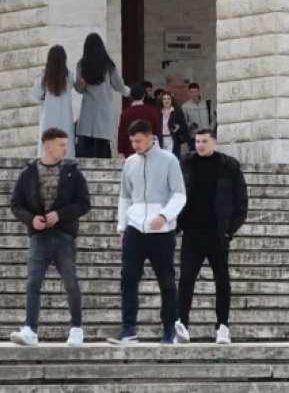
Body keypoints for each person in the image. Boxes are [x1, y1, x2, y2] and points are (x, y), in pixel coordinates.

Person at [9, 128, 91, 346]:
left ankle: (76, 328)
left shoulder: (73, 171)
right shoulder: (29, 173)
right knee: (33, 282)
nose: (66, 148)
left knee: (71, 282)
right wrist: (31, 219)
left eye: (66, 144)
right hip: (39, 236)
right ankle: (30, 329)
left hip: (64, 235)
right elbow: (16, 204)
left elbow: (84, 203)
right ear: (47, 145)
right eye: (61, 144)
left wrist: (60, 215)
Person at [109, 119, 186, 346]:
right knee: (128, 278)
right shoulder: (130, 163)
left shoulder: (169, 160)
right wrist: (122, 226)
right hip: (135, 228)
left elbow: (179, 194)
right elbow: (125, 196)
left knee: (166, 280)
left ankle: (170, 329)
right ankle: (128, 328)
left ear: (151, 137)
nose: (135, 145)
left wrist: (164, 216)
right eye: (132, 141)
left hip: (161, 230)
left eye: (139, 141)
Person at [175, 130, 249, 345]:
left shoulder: (229, 166)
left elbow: (241, 200)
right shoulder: (186, 164)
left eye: (204, 141)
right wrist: (177, 223)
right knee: (186, 280)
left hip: (217, 234)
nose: (200, 145)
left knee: (222, 282)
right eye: (197, 141)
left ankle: (223, 326)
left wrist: (230, 229)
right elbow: (176, 192)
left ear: (214, 142)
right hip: (192, 232)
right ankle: (182, 323)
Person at [75, 32, 128, 158]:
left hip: (87, 113)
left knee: (86, 151)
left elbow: (78, 88)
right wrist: (129, 92)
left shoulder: (81, 64)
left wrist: (83, 85)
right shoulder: (109, 66)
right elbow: (119, 85)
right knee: (102, 150)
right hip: (104, 112)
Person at [31, 45, 76, 159]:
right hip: (65, 122)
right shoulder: (69, 77)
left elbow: (36, 94)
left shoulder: (43, 77)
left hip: (48, 121)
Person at [118, 83, 163, 158]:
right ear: (144, 95)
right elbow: (157, 132)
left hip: (131, 150)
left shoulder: (126, 113)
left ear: (131, 96)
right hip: (149, 150)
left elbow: (122, 134)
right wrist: (159, 148)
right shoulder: (152, 112)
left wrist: (121, 151)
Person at [182, 83, 217, 152]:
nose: (194, 94)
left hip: (207, 136)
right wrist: (190, 125)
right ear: (189, 93)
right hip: (194, 138)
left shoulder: (207, 103)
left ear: (199, 92)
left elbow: (213, 118)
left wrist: (210, 130)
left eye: (195, 92)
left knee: (209, 156)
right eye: (192, 92)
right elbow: (184, 123)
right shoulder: (185, 106)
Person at [158, 92, 190, 156]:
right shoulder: (158, 111)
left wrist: (178, 127)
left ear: (171, 100)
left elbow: (183, 125)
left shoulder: (177, 111)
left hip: (172, 138)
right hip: (161, 139)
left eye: (168, 99)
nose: (166, 101)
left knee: (171, 158)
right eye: (164, 99)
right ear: (161, 101)